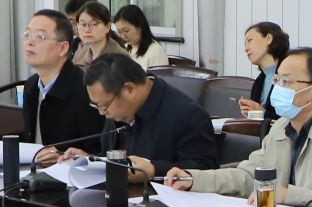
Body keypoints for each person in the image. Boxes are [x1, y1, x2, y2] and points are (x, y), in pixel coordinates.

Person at [167, 48, 312, 207]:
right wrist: (194, 179)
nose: (277, 88)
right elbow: (249, 176)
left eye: (286, 81)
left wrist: (289, 195)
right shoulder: (282, 126)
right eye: (277, 80)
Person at [59, 53, 216, 186]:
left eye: (104, 105)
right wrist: (92, 161)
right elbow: (114, 155)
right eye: (97, 105)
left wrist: (154, 170)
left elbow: (205, 170)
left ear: (129, 89)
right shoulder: (118, 108)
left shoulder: (187, 115)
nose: (101, 112)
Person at [19, 8, 105, 162]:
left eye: (39, 36)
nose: (29, 42)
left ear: (63, 48)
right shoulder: (31, 86)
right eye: (27, 35)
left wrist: (66, 157)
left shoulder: (86, 89)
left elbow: (100, 150)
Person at [239, 21, 291, 122]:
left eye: (249, 41)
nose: (245, 48)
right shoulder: (259, 81)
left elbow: (292, 117)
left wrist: (262, 112)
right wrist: (251, 112)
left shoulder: (290, 74)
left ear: (269, 38)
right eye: (245, 44)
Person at [71, 0, 128, 69]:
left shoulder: (121, 57)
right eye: (83, 24)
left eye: (94, 24)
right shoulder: (79, 56)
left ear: (107, 26)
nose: (87, 30)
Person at [113, 4, 168, 69]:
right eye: (119, 32)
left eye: (126, 31)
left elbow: (158, 75)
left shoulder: (156, 51)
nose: (123, 36)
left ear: (140, 26)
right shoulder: (125, 48)